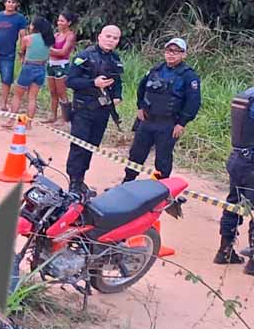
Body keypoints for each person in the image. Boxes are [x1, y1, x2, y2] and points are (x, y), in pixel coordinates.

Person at [121, 38, 202, 184]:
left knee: (163, 160)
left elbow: (193, 102)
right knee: (136, 155)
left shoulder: (189, 76)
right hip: (147, 120)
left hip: (168, 124)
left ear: (184, 55)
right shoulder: (155, 69)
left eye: (176, 52)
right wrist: (140, 107)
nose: (171, 54)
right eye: (169, 51)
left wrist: (182, 123)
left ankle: (159, 190)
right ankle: (127, 183)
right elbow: (141, 88)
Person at [64, 25, 124, 197]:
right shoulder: (84, 56)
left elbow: (117, 80)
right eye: (108, 36)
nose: (111, 40)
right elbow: (70, 81)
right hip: (83, 109)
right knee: (79, 145)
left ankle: (81, 180)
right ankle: (74, 183)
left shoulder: (115, 58)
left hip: (103, 111)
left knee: (91, 146)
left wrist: (118, 96)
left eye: (115, 38)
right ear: (100, 36)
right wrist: (93, 83)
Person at [215, 86, 254, 271]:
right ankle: (253, 263)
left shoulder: (246, 94)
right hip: (251, 161)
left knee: (234, 204)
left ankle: (225, 250)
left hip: (237, 157)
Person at [4, 17, 55, 129]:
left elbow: (22, 51)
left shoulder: (27, 38)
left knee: (17, 95)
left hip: (29, 67)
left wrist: (21, 56)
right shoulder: (49, 40)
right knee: (32, 97)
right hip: (41, 68)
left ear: (34, 26)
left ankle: (11, 120)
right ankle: (29, 123)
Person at [0, 0, 29, 112]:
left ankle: (3, 103)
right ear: (5, 3)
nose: (11, 4)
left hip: (8, 54)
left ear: (17, 4)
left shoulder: (20, 18)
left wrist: (22, 51)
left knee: (6, 79)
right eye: (9, 1)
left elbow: (23, 35)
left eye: (13, 2)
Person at [45, 11, 78, 124]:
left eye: (62, 21)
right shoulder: (56, 35)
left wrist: (50, 50)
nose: (59, 23)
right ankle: (53, 115)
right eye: (58, 20)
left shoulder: (70, 36)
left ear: (69, 23)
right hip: (51, 64)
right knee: (53, 92)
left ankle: (65, 118)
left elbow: (63, 52)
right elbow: (53, 50)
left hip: (62, 65)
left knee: (62, 92)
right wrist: (52, 51)